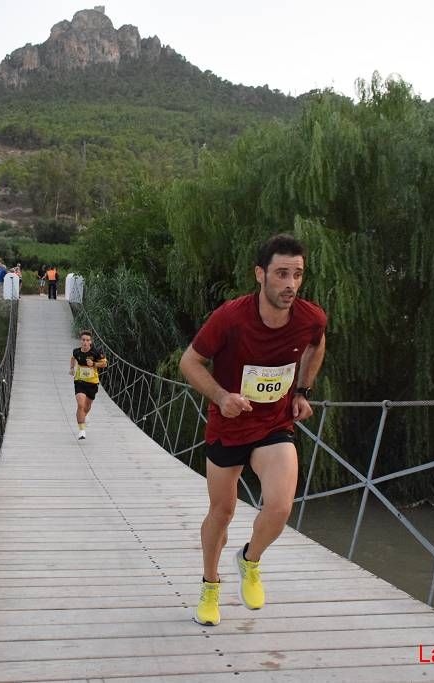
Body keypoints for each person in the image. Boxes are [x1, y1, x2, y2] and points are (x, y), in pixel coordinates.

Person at [179, 233, 327, 627]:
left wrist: (303, 390)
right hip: (227, 427)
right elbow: (189, 362)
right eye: (281, 274)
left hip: (273, 425)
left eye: (297, 274)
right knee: (222, 512)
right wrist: (221, 395)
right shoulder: (230, 317)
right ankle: (210, 585)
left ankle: (250, 560)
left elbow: (318, 342)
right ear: (260, 275)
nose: (290, 284)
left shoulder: (310, 318)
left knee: (279, 506)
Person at [69, 330, 107, 440]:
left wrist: (94, 364)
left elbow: (105, 363)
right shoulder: (76, 351)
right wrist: (72, 368)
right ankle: (81, 430)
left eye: (87, 340)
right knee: (80, 404)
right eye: (83, 340)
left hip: (92, 383)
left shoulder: (96, 351)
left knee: (87, 406)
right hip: (79, 381)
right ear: (80, 341)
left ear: (91, 341)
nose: (85, 342)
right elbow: (73, 358)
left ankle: (84, 415)